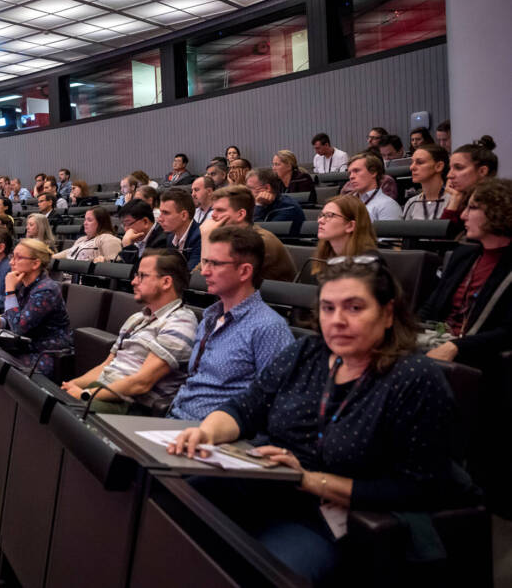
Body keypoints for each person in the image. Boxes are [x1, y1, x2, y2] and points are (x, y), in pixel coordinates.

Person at [168, 257, 478, 584]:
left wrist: (307, 480)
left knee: (254, 573)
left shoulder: (414, 379)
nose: (338, 320)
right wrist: (206, 432)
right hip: (268, 485)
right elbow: (247, 406)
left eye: (355, 308)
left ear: (388, 314)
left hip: (331, 517)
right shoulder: (308, 353)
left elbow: (421, 488)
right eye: (328, 308)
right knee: (169, 511)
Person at [168, 226, 294, 420]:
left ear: (244, 271)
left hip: (217, 437)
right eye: (205, 262)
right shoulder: (210, 317)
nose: (204, 272)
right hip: (174, 420)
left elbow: (277, 400)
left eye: (215, 264)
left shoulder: (269, 328)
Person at [61, 250, 198, 413]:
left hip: (131, 405)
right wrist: (74, 385)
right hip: (102, 391)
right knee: (54, 401)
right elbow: (107, 366)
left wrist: (84, 394)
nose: (133, 282)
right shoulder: (137, 318)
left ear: (166, 282)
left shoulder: (180, 322)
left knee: (62, 415)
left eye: (142, 276)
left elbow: (141, 383)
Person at [419, 178, 512, 367]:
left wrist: (457, 347)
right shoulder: (464, 254)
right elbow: (432, 305)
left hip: (479, 356)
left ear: (499, 212)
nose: (463, 216)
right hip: (438, 342)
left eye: (473, 208)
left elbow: (508, 331)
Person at [0, 238, 73, 379]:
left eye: (18, 258)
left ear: (35, 263)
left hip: (46, 355)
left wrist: (9, 291)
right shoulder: (24, 284)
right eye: (12, 256)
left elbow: (19, 327)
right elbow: (15, 316)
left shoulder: (46, 290)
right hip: (24, 347)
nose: (11, 262)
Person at [200, 185, 297, 282]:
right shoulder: (228, 238)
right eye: (213, 210)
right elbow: (196, 275)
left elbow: (219, 280)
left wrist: (206, 237)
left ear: (241, 214)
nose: (213, 215)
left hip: (269, 296)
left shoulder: (260, 242)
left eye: (220, 210)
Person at [309, 195, 377, 279]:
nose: (320, 221)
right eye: (322, 215)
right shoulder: (324, 255)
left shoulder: (368, 264)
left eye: (329, 215)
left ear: (350, 226)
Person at [442, 136, 498, 232]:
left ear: (482, 171)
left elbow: (443, 240)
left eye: (458, 168)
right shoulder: (463, 199)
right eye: (450, 168)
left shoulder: (495, 206)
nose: (449, 175)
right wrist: (455, 199)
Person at [344, 152, 402, 222]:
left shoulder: (388, 205)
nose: (351, 176)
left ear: (373, 172)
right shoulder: (346, 203)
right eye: (350, 173)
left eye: (356, 171)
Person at [53, 206, 122, 263]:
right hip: (68, 274)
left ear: (101, 223)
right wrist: (49, 258)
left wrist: (104, 261)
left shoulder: (109, 239)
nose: (85, 223)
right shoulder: (81, 239)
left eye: (89, 220)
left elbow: (114, 266)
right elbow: (68, 253)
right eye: (85, 220)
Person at [247, 168, 306, 233]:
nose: (247, 192)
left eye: (250, 188)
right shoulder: (261, 203)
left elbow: (260, 234)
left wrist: (258, 205)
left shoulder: (288, 208)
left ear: (267, 188)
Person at [402, 144, 450, 220]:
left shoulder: (453, 201)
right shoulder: (411, 203)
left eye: (420, 162)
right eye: (412, 162)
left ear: (439, 166)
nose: (412, 167)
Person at [157, 189, 201, 270]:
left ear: (184, 215)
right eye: (160, 212)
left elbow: (189, 275)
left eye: (166, 213)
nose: (159, 219)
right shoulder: (170, 237)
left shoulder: (200, 237)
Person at [117, 198, 167, 265]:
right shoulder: (138, 238)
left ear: (145, 222)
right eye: (124, 225)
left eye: (128, 224)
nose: (126, 230)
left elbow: (138, 271)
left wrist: (127, 245)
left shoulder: (161, 240)